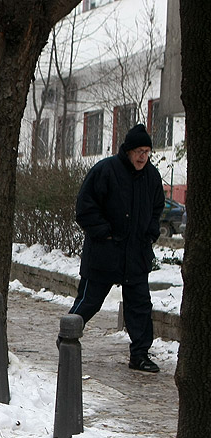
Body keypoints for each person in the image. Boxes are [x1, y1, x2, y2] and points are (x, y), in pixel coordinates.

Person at [70, 123, 165, 373]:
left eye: (147, 151)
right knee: (89, 301)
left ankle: (140, 354)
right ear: (128, 151)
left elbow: (157, 209)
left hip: (136, 254)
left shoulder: (152, 177)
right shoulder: (106, 171)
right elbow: (85, 208)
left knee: (140, 305)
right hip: (104, 253)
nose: (143, 157)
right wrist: (105, 233)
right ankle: (66, 339)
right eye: (139, 151)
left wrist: (150, 235)